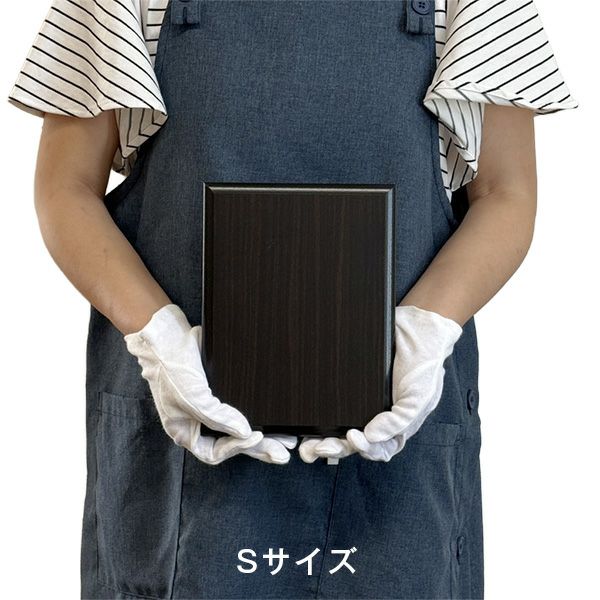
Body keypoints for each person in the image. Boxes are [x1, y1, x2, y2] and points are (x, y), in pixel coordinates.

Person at [8, 0, 576, 598]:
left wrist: (425, 330)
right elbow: (67, 185)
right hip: (189, 444)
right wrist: (158, 337)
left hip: (398, 449)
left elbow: (506, 192)